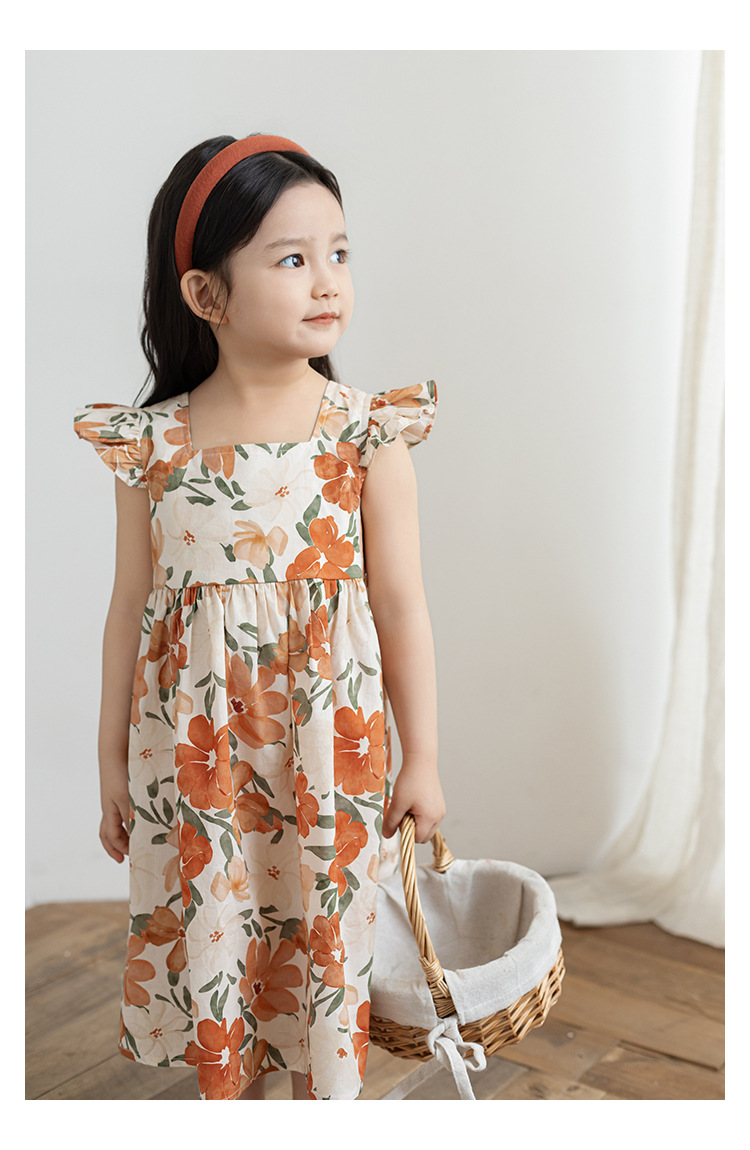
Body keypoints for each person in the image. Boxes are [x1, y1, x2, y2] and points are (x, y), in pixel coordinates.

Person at [73, 132, 445, 1101]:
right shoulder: (154, 446)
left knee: (320, 945)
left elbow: (401, 606)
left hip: (331, 754)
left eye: (339, 252)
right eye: (291, 259)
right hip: (198, 761)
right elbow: (129, 608)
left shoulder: (365, 436)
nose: (327, 281)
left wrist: (424, 756)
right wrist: (109, 758)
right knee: (222, 941)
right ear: (208, 295)